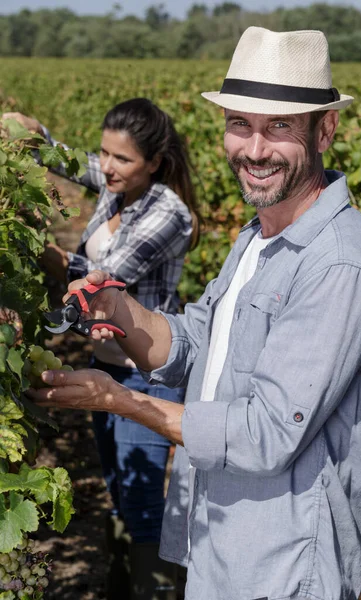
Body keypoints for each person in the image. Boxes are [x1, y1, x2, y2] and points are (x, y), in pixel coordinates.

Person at [28, 28, 361, 600]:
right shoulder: (260, 236)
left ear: (325, 129)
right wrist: (119, 307)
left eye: (279, 126)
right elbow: (203, 343)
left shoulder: (341, 264)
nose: (254, 150)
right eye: (239, 124)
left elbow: (268, 432)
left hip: (286, 568)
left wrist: (117, 399)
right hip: (221, 544)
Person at [3, 98, 200, 600]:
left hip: (146, 374)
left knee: (142, 501)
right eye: (105, 154)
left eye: (122, 159)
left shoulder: (169, 215)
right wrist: (33, 131)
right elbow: (74, 162)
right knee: (117, 489)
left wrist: (39, 249)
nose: (107, 167)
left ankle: (154, 590)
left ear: (153, 163)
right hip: (104, 363)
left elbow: (103, 285)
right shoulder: (119, 188)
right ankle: (121, 585)